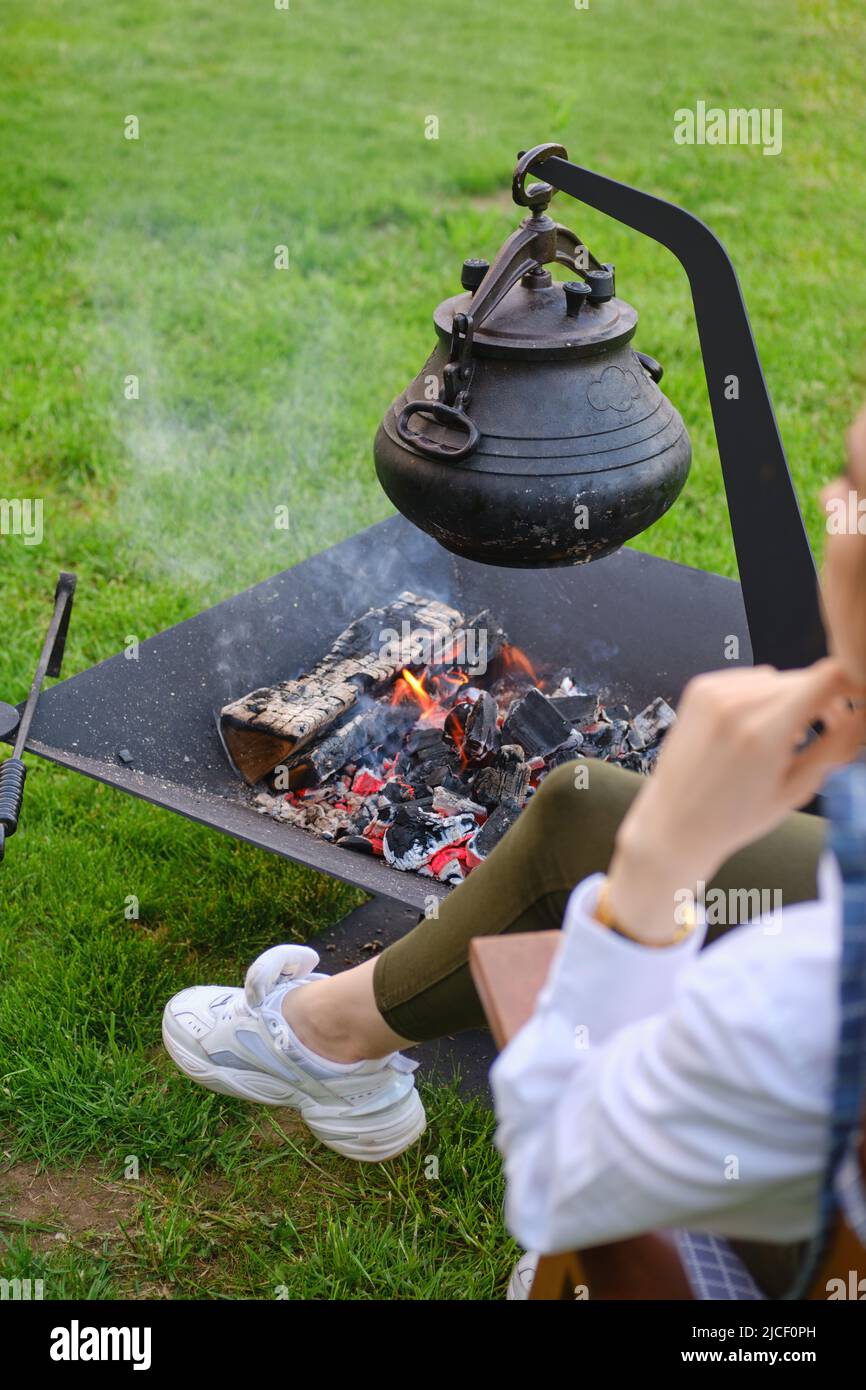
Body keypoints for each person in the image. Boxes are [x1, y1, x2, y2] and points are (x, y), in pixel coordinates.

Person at [162, 406, 866, 1290]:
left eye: (854, 493)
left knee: (584, 816)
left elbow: (568, 1184)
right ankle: (335, 1034)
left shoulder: (800, 986)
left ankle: (321, 1039)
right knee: (580, 801)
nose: (832, 498)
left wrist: (651, 881)